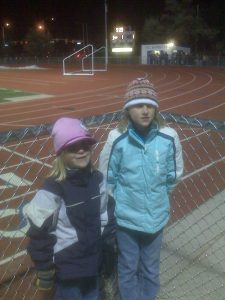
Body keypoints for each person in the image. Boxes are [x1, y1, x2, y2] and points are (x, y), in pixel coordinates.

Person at [99, 78, 184, 300]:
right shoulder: (116, 139)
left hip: (156, 218)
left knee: (151, 268)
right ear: (128, 109)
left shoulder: (169, 136)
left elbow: (173, 175)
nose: (145, 110)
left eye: (149, 105)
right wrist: (122, 202)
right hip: (127, 220)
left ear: (156, 108)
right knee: (127, 268)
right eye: (138, 105)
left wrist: (157, 196)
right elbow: (108, 178)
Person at [23, 117, 115, 300]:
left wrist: (108, 251)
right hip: (68, 272)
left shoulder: (98, 180)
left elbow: (107, 217)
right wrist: (44, 269)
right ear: (61, 152)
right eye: (73, 147)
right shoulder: (53, 188)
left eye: (86, 145)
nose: (81, 150)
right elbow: (39, 234)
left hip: (94, 266)